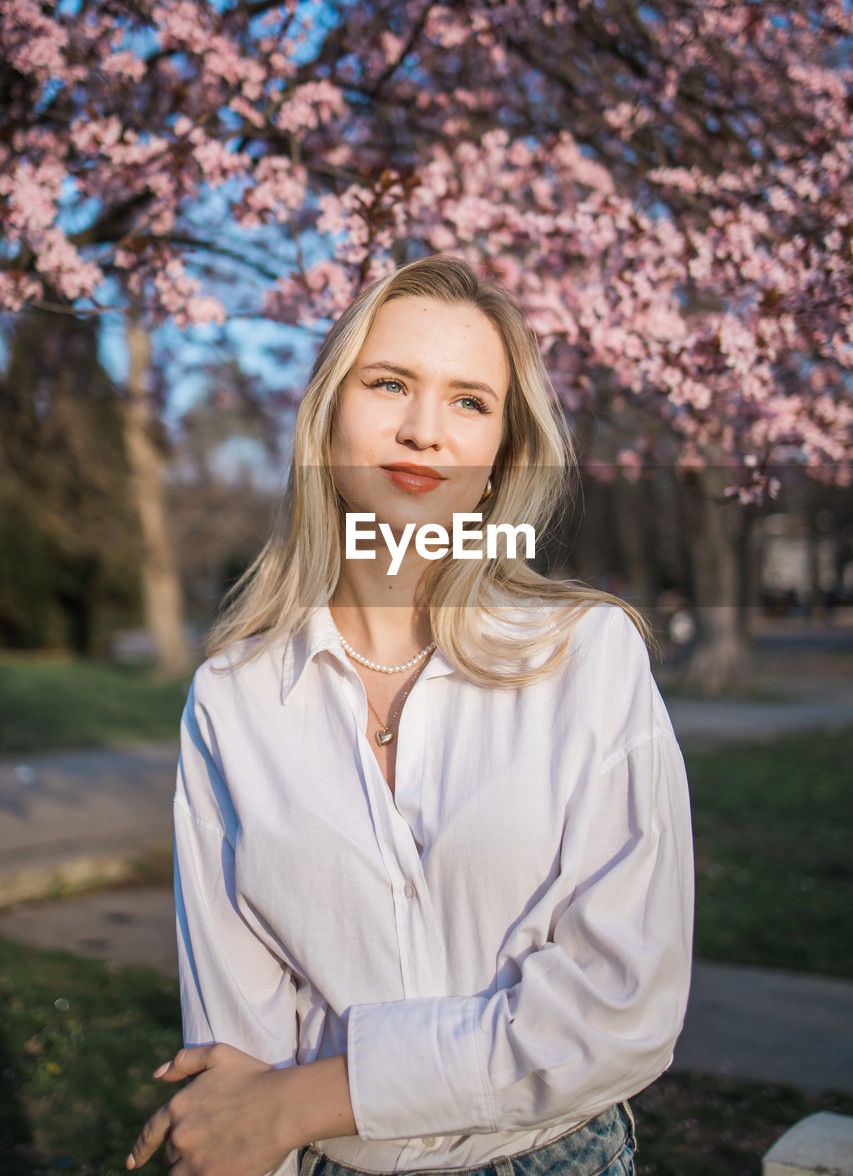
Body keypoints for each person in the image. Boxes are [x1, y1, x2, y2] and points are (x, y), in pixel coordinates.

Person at [127, 255, 694, 1176]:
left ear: (502, 455)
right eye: (388, 383)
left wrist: (306, 1100)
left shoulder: (587, 657)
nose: (424, 431)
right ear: (326, 414)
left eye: (469, 402)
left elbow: (621, 1007)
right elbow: (237, 1043)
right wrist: (261, 1123)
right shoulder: (233, 698)